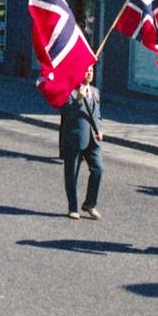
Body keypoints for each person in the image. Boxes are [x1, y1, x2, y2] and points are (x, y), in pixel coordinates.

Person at [59, 66, 105, 220]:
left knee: (98, 169)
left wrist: (99, 129)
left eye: (91, 70)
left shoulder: (95, 91)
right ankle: (72, 207)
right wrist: (78, 99)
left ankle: (89, 204)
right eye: (86, 70)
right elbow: (66, 113)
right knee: (72, 174)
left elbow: (97, 114)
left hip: (92, 138)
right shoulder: (68, 90)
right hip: (74, 138)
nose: (89, 73)